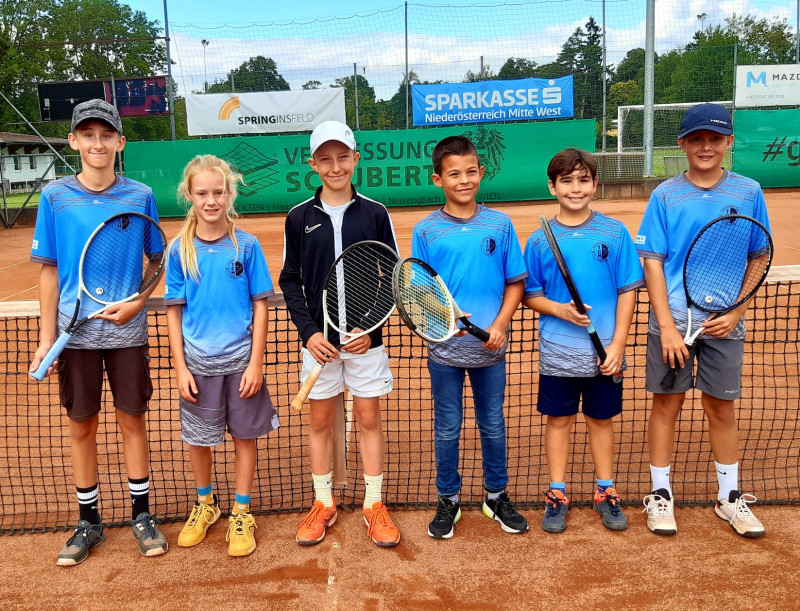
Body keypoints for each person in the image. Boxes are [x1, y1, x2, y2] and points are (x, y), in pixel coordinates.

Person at [29, 99, 168, 565]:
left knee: (133, 422)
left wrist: (139, 302)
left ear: (119, 142)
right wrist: (47, 337)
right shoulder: (54, 197)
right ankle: (88, 522)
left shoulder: (139, 195)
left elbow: (156, 259)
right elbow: (48, 271)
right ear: (73, 141)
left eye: (106, 135)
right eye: (87, 135)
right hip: (76, 335)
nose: (97, 143)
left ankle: (141, 517)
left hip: (127, 334)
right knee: (81, 426)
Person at [635, 103, 771, 538]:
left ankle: (729, 498)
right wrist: (669, 326)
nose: (706, 146)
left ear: (728, 142)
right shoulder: (665, 196)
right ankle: (660, 495)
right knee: (667, 405)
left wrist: (737, 310)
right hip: (673, 320)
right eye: (697, 138)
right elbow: (652, 262)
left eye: (715, 138)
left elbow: (759, 253)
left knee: (720, 407)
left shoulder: (748, 192)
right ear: (682, 144)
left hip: (725, 323)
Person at [279, 121, 401, 547]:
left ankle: (373, 504)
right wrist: (310, 333)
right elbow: (290, 281)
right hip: (320, 346)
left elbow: (394, 277)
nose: (335, 167)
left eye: (342, 157)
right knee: (320, 423)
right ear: (313, 164)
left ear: (356, 157)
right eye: (325, 159)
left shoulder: (375, 213)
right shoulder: (298, 218)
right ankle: (323, 502)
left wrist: (373, 329)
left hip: (366, 342)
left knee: (369, 420)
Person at [412, 135, 529, 539]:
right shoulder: (426, 231)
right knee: (447, 427)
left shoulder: (500, 223)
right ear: (437, 179)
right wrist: (442, 312)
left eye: (471, 171)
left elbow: (516, 283)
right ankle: (448, 499)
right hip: (444, 351)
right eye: (454, 173)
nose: (464, 180)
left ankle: (496, 496)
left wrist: (499, 324)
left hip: (491, 350)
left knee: (493, 425)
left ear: (481, 172)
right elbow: (420, 291)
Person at [522, 148, 643, 533]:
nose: (576, 188)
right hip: (558, 352)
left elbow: (628, 290)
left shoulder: (614, 233)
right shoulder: (539, 240)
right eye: (567, 180)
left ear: (594, 183)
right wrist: (561, 310)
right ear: (552, 186)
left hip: (605, 354)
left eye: (584, 180)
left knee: (601, 420)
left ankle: (605, 492)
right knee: (558, 420)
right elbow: (530, 294)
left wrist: (619, 346)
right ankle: (557, 493)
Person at [165, 155, 279, 557]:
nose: (210, 200)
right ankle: (205, 504)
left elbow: (261, 305)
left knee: (244, 438)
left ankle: (241, 511)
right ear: (189, 196)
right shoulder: (180, 249)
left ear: (230, 194)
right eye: (202, 193)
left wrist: (256, 363)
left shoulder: (245, 245)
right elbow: (174, 311)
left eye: (218, 192)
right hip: (197, 367)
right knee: (200, 440)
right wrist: (179, 367)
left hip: (242, 366)